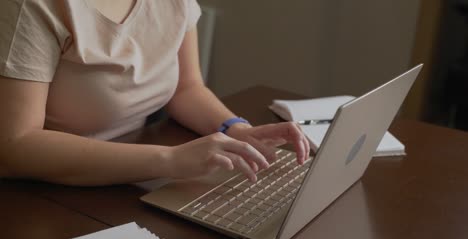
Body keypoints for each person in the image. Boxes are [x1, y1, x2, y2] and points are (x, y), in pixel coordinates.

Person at [0, 0, 310, 186]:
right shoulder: (33, 6)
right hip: (43, 192)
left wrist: (237, 129)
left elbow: (187, 89)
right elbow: (16, 146)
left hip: (129, 175)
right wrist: (170, 160)